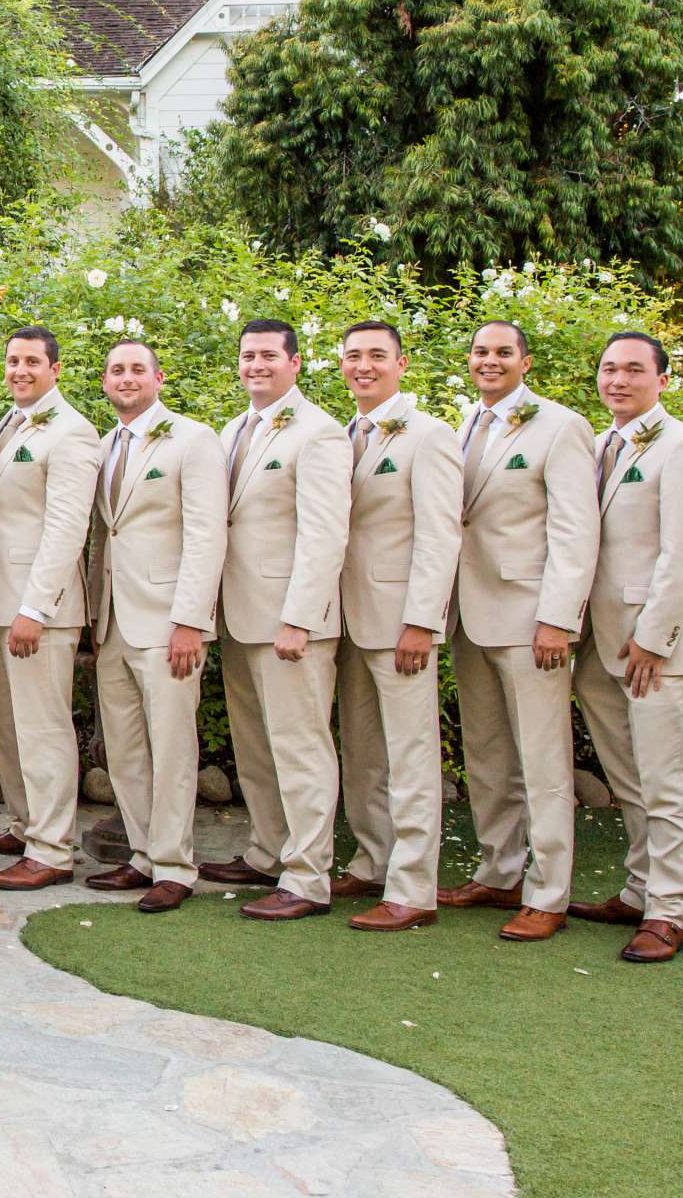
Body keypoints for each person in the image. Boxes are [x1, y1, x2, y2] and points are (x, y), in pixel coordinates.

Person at [440, 320, 598, 942]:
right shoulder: (465, 424)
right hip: (470, 615)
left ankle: (550, 891)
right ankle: (499, 870)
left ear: (525, 361)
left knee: (543, 759)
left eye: (503, 352)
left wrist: (558, 618)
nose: (489, 360)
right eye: (480, 351)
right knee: (487, 754)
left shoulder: (561, 427)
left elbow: (574, 532)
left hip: (531, 618)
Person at [570, 331, 683, 964]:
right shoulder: (601, 444)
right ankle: (637, 889)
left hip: (658, 645)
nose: (619, 380)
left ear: (662, 379)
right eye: (609, 369)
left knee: (666, 782)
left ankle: (668, 912)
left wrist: (655, 638)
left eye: (634, 369)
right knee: (628, 778)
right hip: (600, 644)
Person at [202, 318, 350, 921]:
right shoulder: (234, 429)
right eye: (247, 356)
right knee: (256, 745)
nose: (255, 365)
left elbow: (324, 534)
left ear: (295, 362)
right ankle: (268, 850)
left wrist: (300, 619)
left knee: (301, 747)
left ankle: (309, 876)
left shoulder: (319, 434)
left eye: (267, 355)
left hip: (290, 622)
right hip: (240, 615)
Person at [81, 338, 226, 913]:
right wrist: (94, 613)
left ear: (159, 378)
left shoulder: (193, 440)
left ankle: (174, 864)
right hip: (115, 619)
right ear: (105, 381)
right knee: (124, 748)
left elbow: (206, 534)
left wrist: (191, 619)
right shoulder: (105, 444)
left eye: (137, 369)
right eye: (117, 370)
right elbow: (102, 538)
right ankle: (141, 853)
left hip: (169, 622)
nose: (126, 377)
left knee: (170, 747)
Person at [330, 321, 463, 931]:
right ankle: (374, 857)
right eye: (353, 356)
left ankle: (414, 888)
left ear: (402, 363)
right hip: (345, 616)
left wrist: (421, 620)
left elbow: (440, 534)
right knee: (362, 751)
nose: (364, 366)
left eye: (376, 356)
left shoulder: (429, 436)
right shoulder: (340, 435)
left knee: (410, 754)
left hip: (399, 620)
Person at [0, 326, 104, 891]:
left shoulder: (72, 433)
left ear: (55, 368)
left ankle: (52, 848)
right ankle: (29, 823)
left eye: (31, 362)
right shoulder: (8, 422)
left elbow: (66, 529)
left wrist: (35, 608)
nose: (19, 370)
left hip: (38, 609)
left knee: (43, 726)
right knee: (7, 724)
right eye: (12, 361)